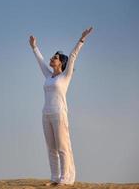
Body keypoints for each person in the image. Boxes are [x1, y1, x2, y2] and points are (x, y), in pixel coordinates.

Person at [29, 27, 93, 186]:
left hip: (59, 114)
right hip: (46, 114)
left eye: (55, 58)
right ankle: (54, 178)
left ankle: (65, 179)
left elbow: (73, 56)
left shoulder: (65, 76)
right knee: (51, 148)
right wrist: (34, 47)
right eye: (52, 57)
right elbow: (41, 62)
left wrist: (82, 39)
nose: (52, 59)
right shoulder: (48, 75)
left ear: (61, 63)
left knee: (62, 147)